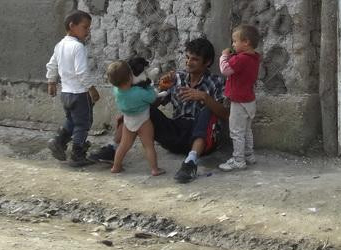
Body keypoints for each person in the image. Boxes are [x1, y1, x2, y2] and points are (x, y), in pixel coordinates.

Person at [88, 37, 228, 184]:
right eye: (187, 57)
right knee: (138, 108)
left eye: (195, 59)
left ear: (207, 62)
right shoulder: (178, 78)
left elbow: (226, 115)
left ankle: (190, 163)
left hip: (202, 138)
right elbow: (152, 104)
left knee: (207, 110)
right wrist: (161, 89)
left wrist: (205, 97)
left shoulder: (216, 82)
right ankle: (113, 149)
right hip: (175, 132)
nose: (188, 62)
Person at [46, 10, 101, 167]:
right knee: (83, 123)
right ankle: (77, 154)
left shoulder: (60, 45)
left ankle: (58, 141)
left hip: (66, 93)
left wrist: (51, 82)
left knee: (72, 119)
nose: (88, 31)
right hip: (80, 94)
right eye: (85, 27)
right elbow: (81, 72)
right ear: (72, 26)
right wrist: (92, 89)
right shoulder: (78, 47)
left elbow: (52, 64)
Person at [105, 60, 165, 176]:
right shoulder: (138, 92)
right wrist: (148, 86)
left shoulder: (116, 91)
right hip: (143, 120)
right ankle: (155, 169)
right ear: (130, 77)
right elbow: (152, 98)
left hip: (128, 121)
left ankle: (116, 167)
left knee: (123, 145)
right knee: (148, 145)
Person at [218, 24, 261, 171]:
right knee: (247, 130)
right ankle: (249, 155)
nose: (233, 44)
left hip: (239, 101)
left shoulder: (240, 59)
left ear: (246, 42)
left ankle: (238, 160)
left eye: (235, 41)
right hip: (249, 100)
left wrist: (224, 56)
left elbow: (225, 70)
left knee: (236, 132)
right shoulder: (254, 57)